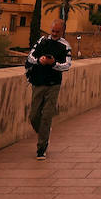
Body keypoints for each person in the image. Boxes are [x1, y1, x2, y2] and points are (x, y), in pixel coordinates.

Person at [25, 18, 72, 160]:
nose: (55, 33)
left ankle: (41, 148)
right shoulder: (42, 41)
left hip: (53, 85)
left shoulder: (65, 46)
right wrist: (40, 60)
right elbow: (30, 56)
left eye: (58, 31)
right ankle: (44, 133)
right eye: (53, 31)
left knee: (46, 116)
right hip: (38, 83)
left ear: (63, 31)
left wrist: (53, 63)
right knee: (34, 116)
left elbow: (67, 65)